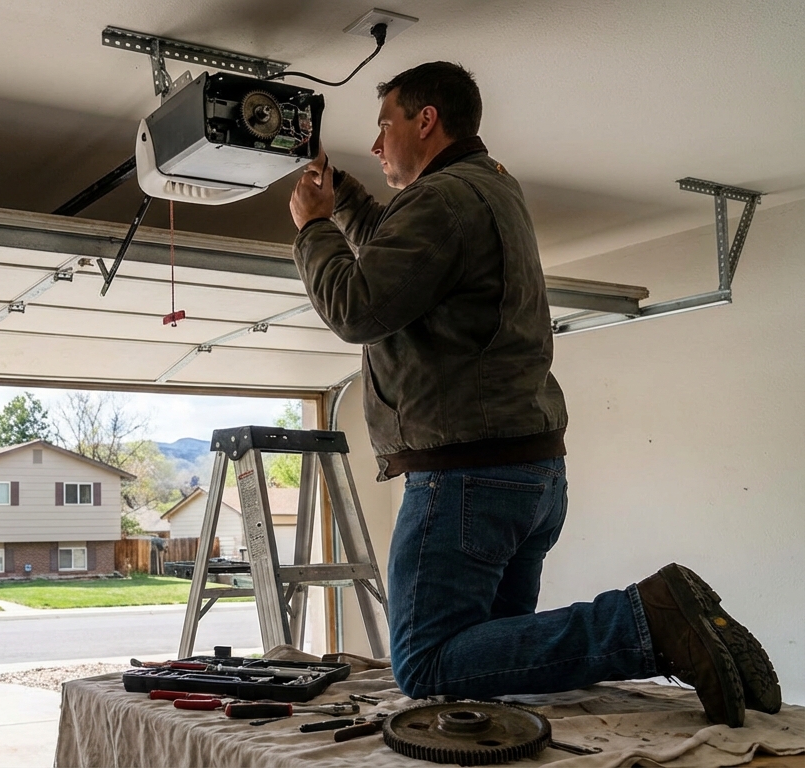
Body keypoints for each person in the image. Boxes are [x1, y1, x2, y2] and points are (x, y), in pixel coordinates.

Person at [287, 61, 778, 727]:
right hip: (531, 472)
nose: (376, 146)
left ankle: (646, 619)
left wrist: (314, 230)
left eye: (385, 125)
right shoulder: (490, 187)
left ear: (425, 121)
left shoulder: (440, 201)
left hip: (467, 479)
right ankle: (677, 621)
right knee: (488, 669)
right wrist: (342, 198)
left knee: (428, 665)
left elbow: (357, 306)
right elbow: (401, 258)